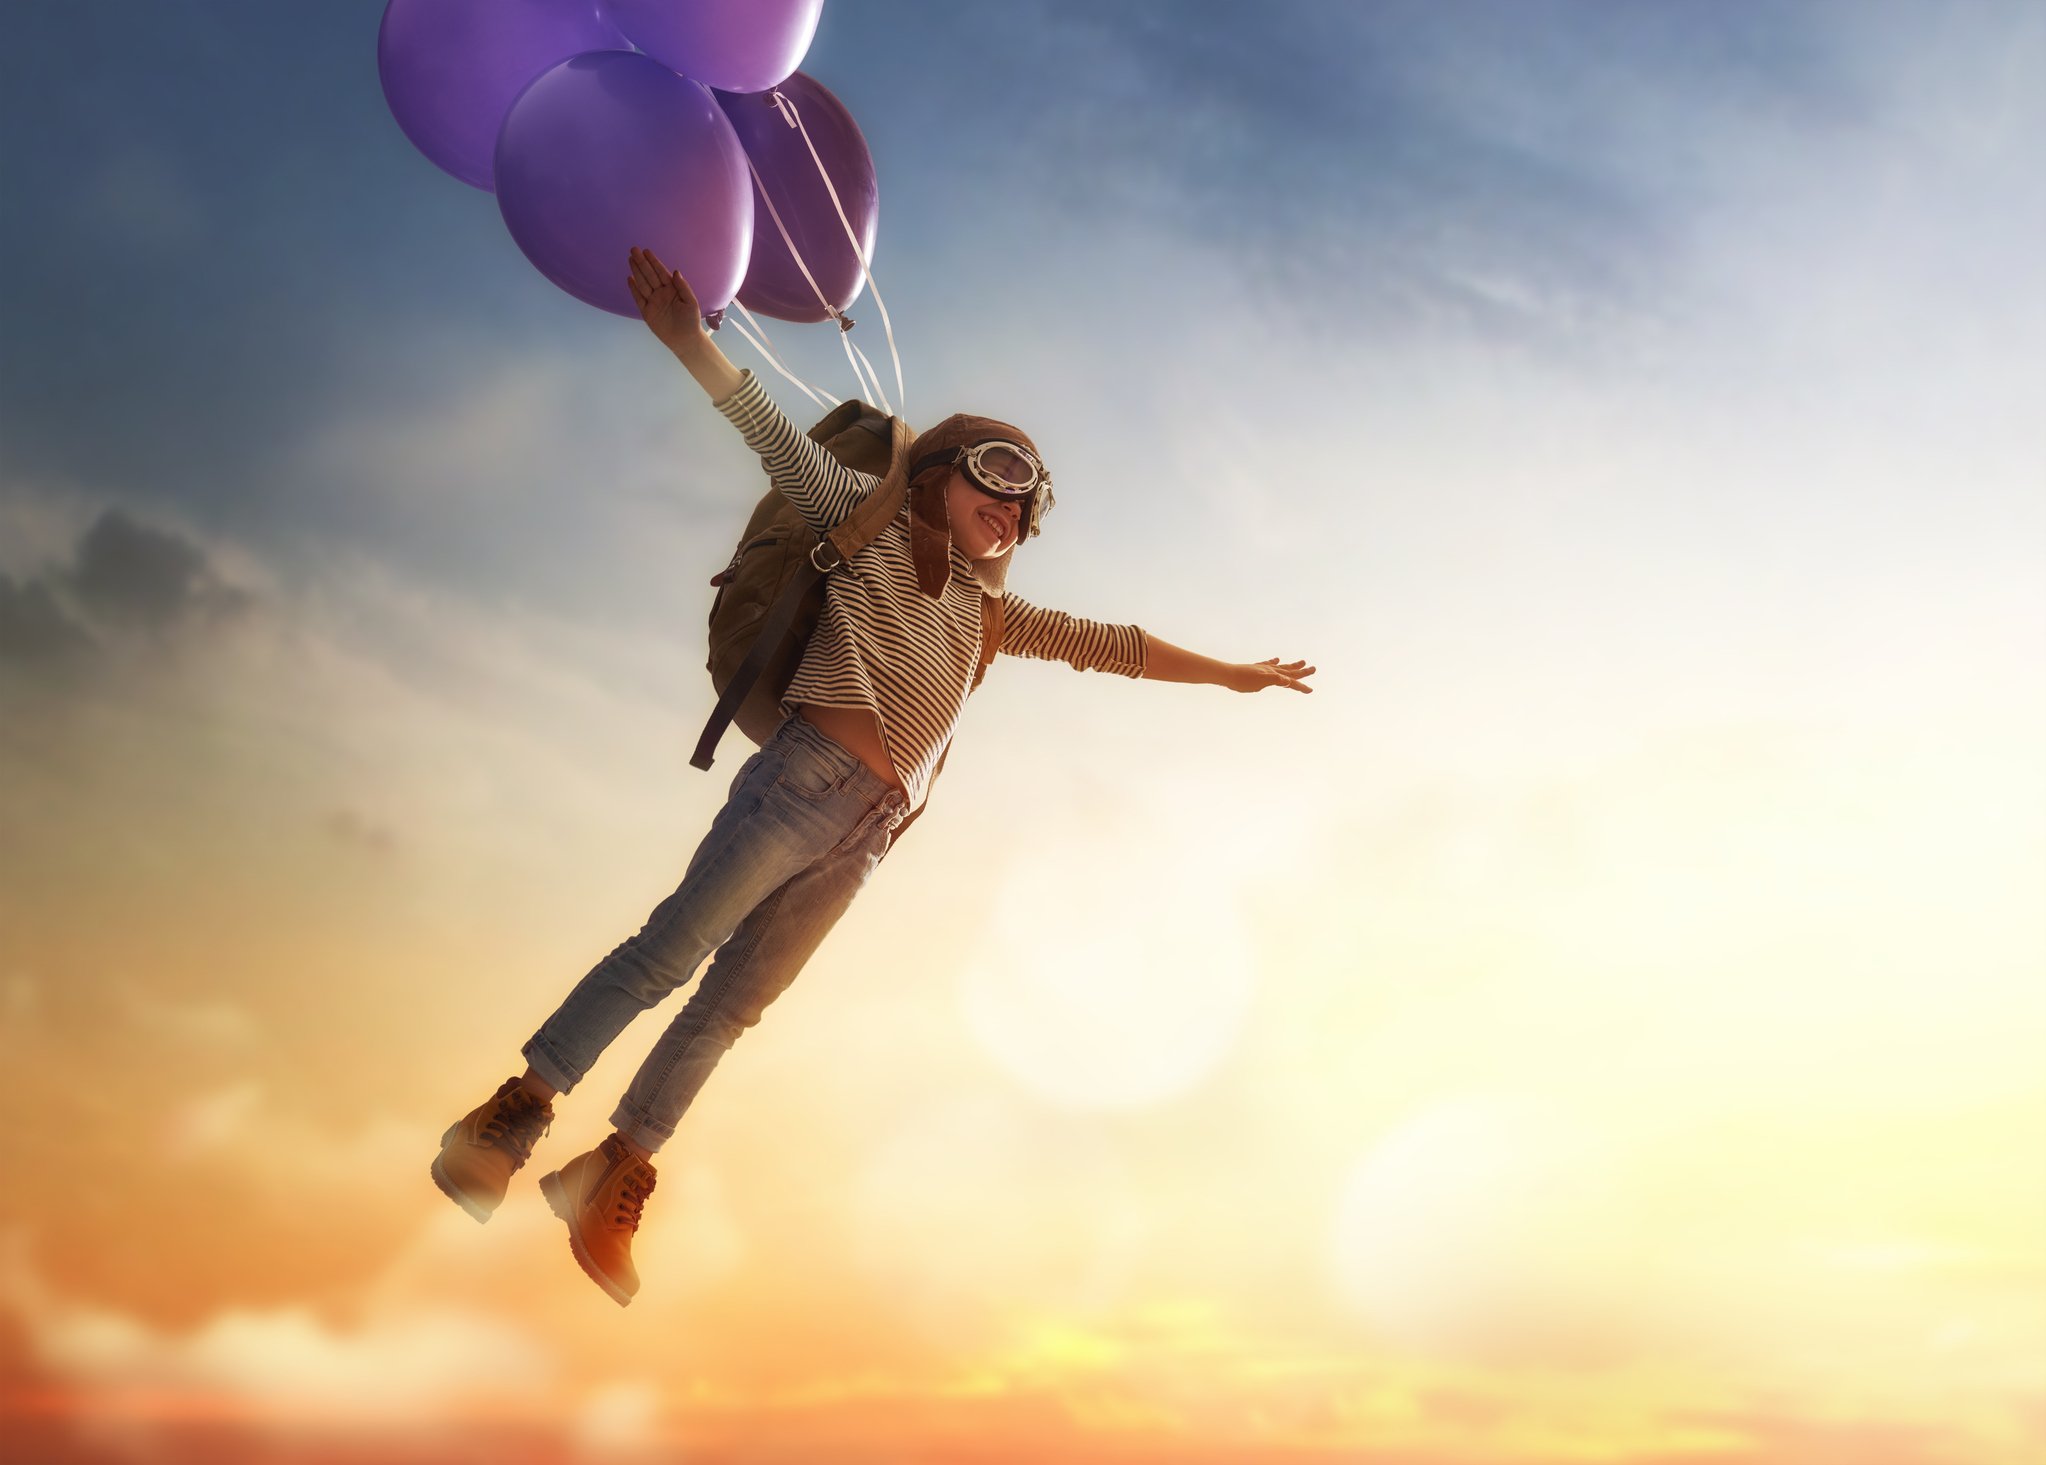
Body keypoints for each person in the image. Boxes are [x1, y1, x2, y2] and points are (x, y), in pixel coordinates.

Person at [430, 246, 1316, 1306]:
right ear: (942, 470)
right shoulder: (867, 519)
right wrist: (689, 341)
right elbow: (769, 432)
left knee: (732, 1007)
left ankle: (613, 1168)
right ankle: (511, 1117)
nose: (1012, 508)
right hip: (802, 780)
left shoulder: (989, 614)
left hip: (869, 836)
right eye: (998, 475)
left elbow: (1113, 646)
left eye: (1028, 504)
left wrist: (1231, 674)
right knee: (669, 952)